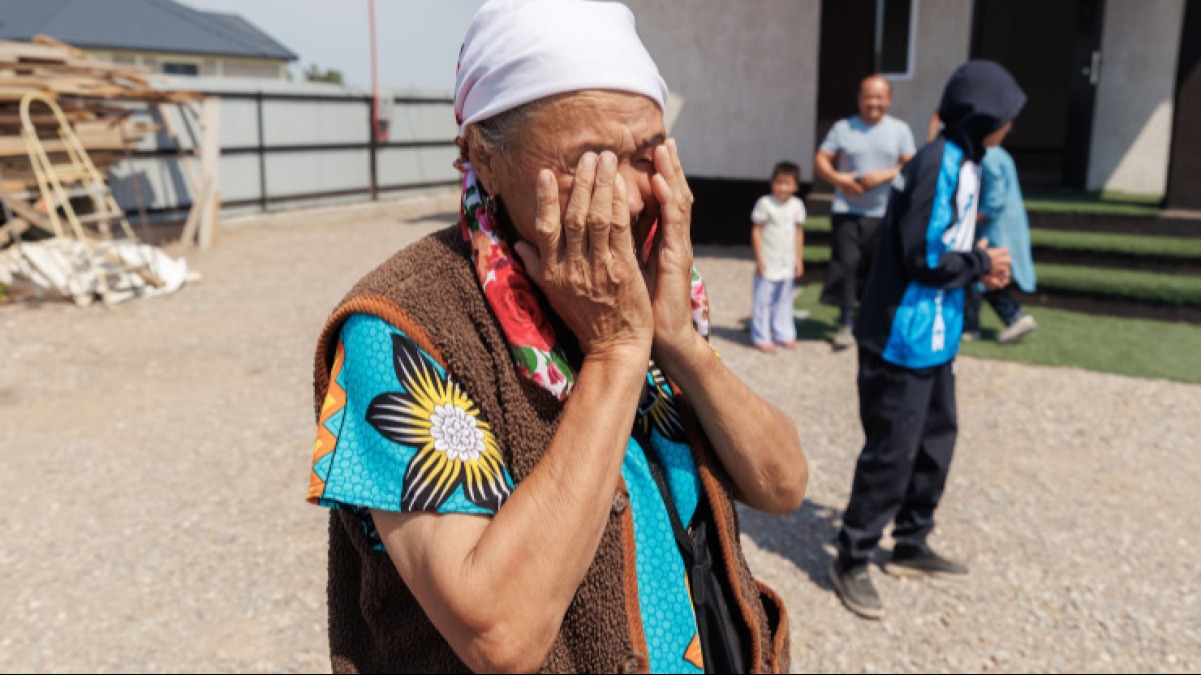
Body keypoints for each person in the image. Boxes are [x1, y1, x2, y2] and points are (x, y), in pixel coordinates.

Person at [304, 1, 806, 672]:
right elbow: (498, 635)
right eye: (589, 161)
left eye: (644, 155)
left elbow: (783, 485)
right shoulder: (399, 325)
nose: (628, 199)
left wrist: (677, 339)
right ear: (482, 157)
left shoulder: (642, 281)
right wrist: (616, 351)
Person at [828, 60, 1024, 620]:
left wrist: (978, 268)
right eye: (1006, 116)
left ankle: (911, 541)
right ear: (985, 116)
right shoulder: (939, 163)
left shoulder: (968, 162)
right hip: (900, 337)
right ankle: (852, 554)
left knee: (936, 440)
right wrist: (982, 259)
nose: (1011, 127)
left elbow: (946, 247)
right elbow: (924, 256)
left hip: (936, 334)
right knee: (891, 450)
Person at [815, 75, 916, 350]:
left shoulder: (900, 130)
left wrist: (883, 175)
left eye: (879, 97)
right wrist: (839, 180)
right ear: (860, 99)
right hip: (846, 210)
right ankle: (845, 322)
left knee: (876, 269)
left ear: (889, 99)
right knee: (847, 263)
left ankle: (871, 320)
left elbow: (910, 164)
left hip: (884, 212)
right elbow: (822, 158)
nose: (873, 103)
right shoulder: (843, 127)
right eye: (868, 97)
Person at [964, 145, 1038, 343]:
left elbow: (994, 201)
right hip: (999, 226)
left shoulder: (989, 157)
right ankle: (1014, 316)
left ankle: (974, 326)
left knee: (980, 272)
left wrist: (966, 220)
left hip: (994, 228)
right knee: (986, 274)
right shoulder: (998, 154)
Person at [750, 161, 806, 353]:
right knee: (763, 300)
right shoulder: (765, 204)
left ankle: (784, 333)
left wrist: (798, 259)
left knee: (784, 299)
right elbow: (756, 231)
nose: (782, 187)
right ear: (772, 182)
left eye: (787, 183)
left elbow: (798, 232)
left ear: (796, 186)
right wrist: (759, 259)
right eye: (779, 182)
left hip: (787, 261)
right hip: (768, 259)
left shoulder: (797, 205)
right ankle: (761, 335)